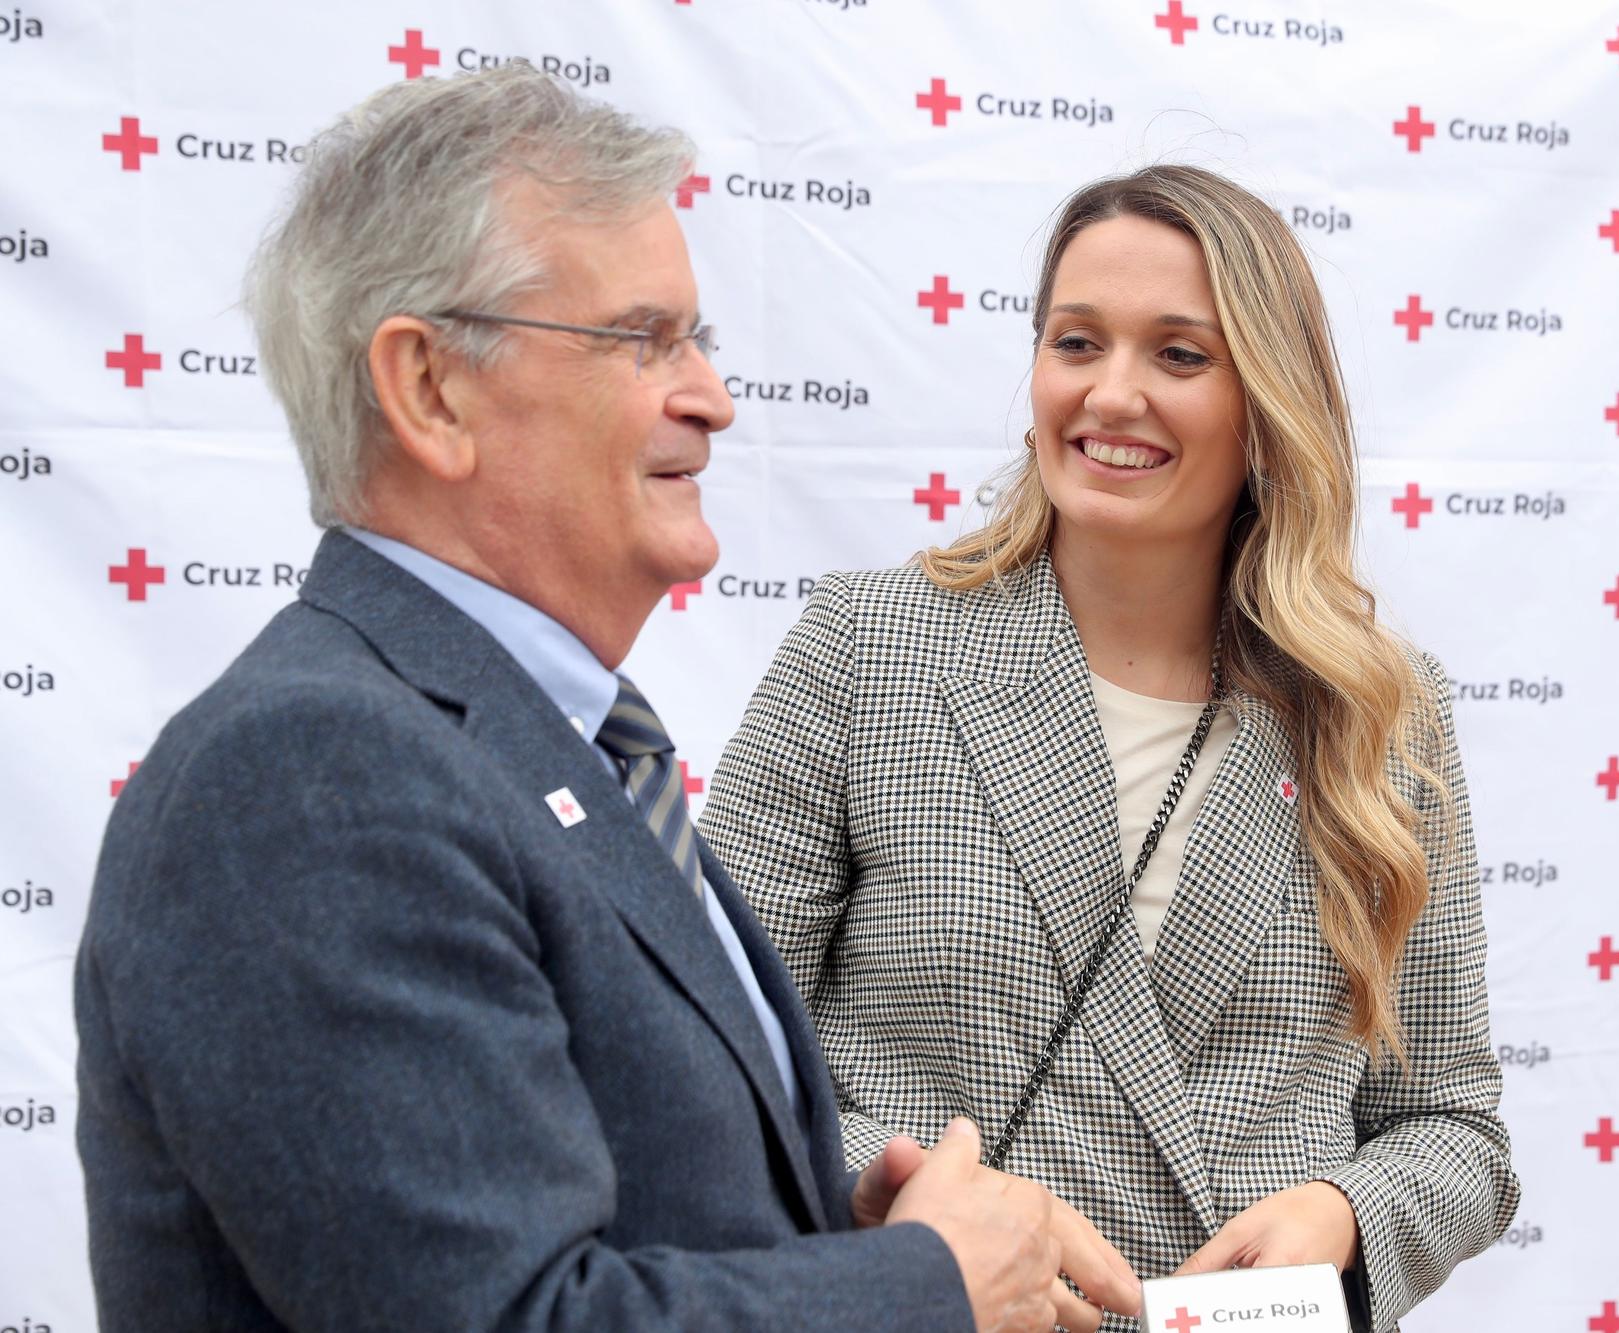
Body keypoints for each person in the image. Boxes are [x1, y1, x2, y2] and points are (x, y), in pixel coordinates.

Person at [72, 67, 1140, 1333]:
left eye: (696, 338)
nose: (711, 398)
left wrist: (840, 1222)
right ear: (429, 388)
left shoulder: (546, 743)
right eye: (643, 339)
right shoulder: (311, 774)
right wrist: (925, 1287)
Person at [699, 164, 1522, 1332]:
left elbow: (1454, 1127)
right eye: (1075, 343)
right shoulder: (866, 649)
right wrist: (898, 1203)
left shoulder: (1379, 709)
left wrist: (1343, 1209)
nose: (1110, 394)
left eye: (1179, 356)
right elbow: (709, 1047)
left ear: (1267, 403)